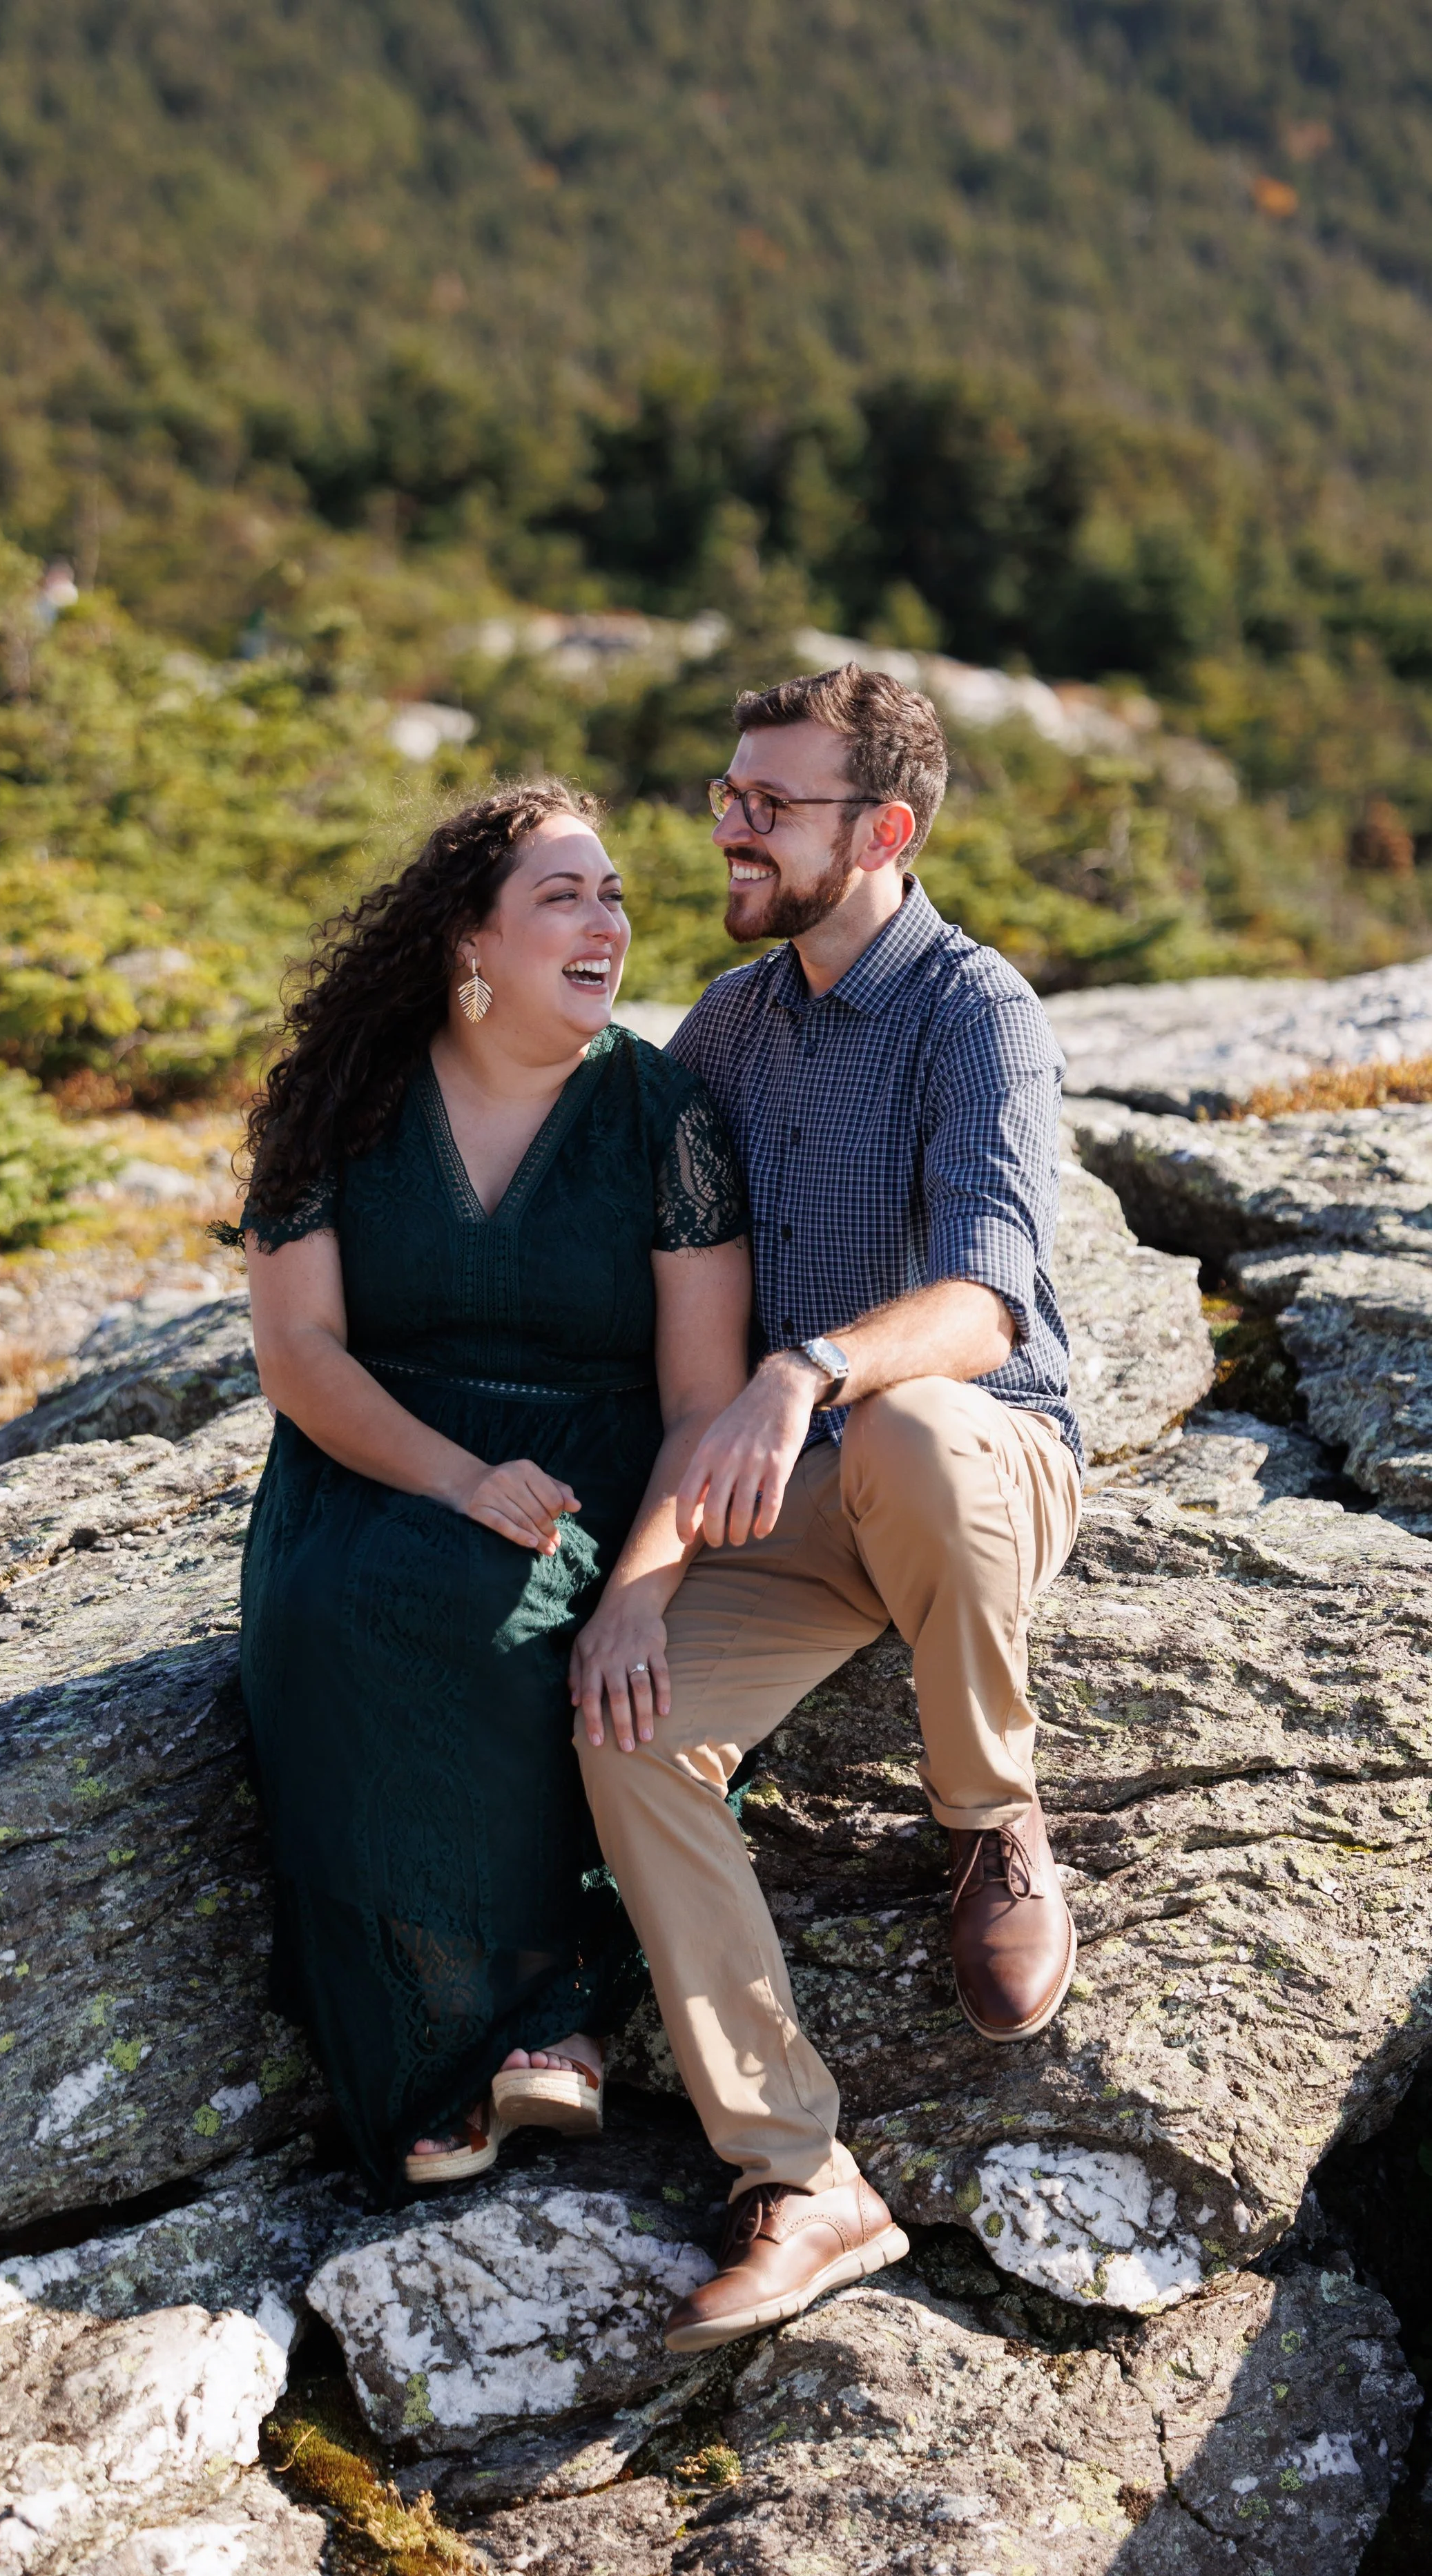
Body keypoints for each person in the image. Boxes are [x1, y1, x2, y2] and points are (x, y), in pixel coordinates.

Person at [573, 663, 1083, 2353]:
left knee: (913, 1430)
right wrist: (641, 1581)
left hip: (974, 1465)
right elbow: (695, 1379)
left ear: (882, 831)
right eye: (725, 794)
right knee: (626, 1724)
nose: (725, 825)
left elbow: (987, 1306)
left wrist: (810, 1373)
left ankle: (990, 1817)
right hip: (792, 1503)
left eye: (764, 805)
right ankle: (799, 2176)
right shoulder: (722, 1028)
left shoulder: (974, 1009)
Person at [238, 782, 751, 2201]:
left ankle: (557, 2012)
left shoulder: (665, 1116)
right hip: (374, 1455)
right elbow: (298, 1352)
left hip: (601, 1472)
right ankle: (429, 2053)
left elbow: (704, 1399)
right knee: (349, 1615)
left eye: (615, 898)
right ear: (470, 937)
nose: (609, 925)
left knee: (535, 1634)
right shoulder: (339, 1096)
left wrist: (644, 1586)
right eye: (564, 898)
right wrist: (457, 1476)